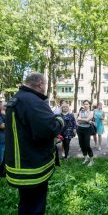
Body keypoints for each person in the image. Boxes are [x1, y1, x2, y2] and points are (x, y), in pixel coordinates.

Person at [5, 72, 64, 215]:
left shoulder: (17, 98)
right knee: (36, 206)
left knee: (25, 204)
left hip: (21, 164)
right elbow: (48, 129)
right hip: (32, 167)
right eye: (45, 84)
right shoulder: (33, 101)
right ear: (40, 84)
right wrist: (59, 119)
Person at [76, 100, 94, 166]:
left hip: (87, 130)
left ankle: (91, 160)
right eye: (84, 104)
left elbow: (87, 119)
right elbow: (78, 120)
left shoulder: (91, 112)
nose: (85, 105)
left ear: (89, 105)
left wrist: (84, 120)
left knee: (87, 145)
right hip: (80, 129)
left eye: (87, 104)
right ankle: (86, 158)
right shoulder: (81, 111)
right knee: (81, 144)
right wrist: (86, 120)